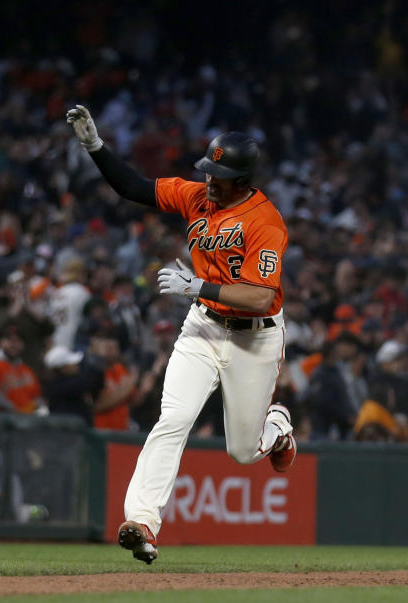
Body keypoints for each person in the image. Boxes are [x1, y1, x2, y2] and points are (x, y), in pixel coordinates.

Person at [67, 105, 294, 564]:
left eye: (219, 173)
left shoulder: (265, 221)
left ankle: (279, 427)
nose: (209, 178)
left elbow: (255, 297)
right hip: (204, 327)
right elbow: (134, 188)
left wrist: (197, 285)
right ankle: (143, 521)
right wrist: (96, 147)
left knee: (242, 452)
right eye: (208, 169)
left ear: (244, 179)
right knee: (172, 419)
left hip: (255, 336)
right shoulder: (197, 197)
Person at [0, 322, 44, 414]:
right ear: (0, 343)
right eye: (9, 340)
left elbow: (37, 396)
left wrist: (36, 407)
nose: (14, 344)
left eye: (18, 341)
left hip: (24, 422)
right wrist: (12, 409)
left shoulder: (27, 370)